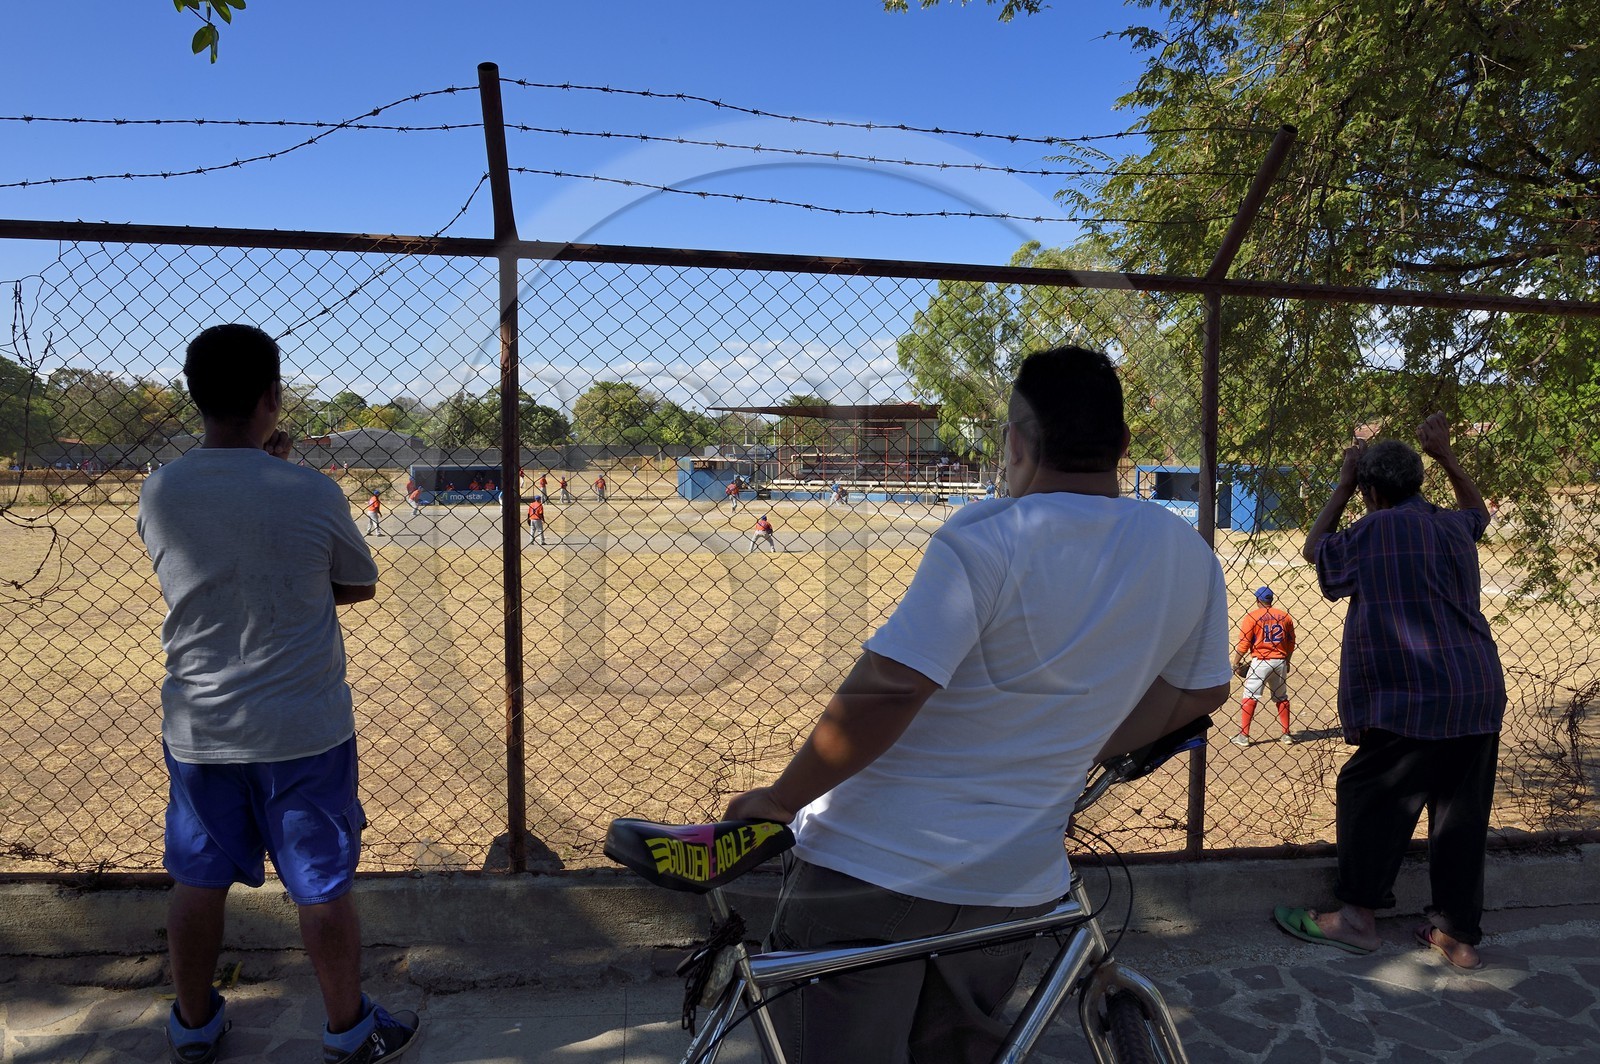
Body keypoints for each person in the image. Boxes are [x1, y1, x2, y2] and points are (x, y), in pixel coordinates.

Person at [724, 346, 1231, 1064]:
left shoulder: (989, 535)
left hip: (875, 865)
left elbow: (892, 689)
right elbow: (1201, 689)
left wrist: (781, 798)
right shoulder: (1187, 553)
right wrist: (1083, 740)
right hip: (1015, 880)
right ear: (1122, 446)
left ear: (1016, 444)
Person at [136, 324, 419, 1064]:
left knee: (197, 880)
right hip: (303, 729)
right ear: (273, 397)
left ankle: (194, 1026)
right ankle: (348, 1029)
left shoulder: (160, 489)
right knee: (321, 886)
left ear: (195, 396)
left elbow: (200, 572)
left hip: (201, 726)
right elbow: (356, 582)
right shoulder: (309, 488)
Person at [1275, 414, 1505, 971]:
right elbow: (1480, 514)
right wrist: (1447, 455)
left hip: (1412, 698)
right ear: (1420, 483)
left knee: (1367, 790)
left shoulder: (1371, 532)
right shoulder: (1451, 526)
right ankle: (1458, 935)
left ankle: (1357, 919)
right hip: (1475, 688)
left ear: (1371, 492)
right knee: (1459, 815)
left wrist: (1343, 483)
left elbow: (1313, 549)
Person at [1230, 586, 1296, 746]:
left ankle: (1244, 736)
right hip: (1279, 661)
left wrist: (1235, 662)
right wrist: (1287, 661)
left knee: (1250, 696)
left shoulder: (1252, 617)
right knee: (1281, 697)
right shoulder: (1284, 616)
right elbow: (1291, 642)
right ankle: (1286, 734)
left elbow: (1244, 643)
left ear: (1257, 600)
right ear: (1271, 600)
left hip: (1260, 662)